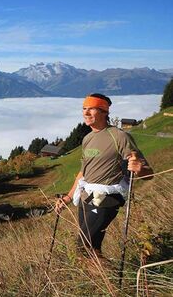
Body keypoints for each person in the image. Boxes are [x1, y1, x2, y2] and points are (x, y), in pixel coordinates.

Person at [55, 93, 153, 257]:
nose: (86, 113)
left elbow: (149, 174)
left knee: (84, 247)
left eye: (91, 109)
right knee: (93, 248)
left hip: (106, 199)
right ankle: (100, 280)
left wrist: (140, 169)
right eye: (84, 109)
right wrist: (68, 197)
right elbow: (83, 173)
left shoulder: (119, 136)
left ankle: (105, 279)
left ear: (104, 112)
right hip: (86, 198)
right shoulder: (87, 138)